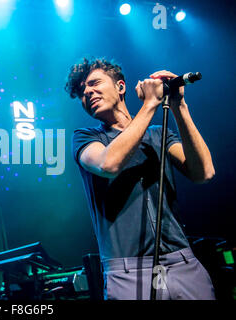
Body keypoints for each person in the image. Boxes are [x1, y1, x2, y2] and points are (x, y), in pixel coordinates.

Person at [66, 57, 216, 300]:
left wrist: (178, 105)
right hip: (128, 271)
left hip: (182, 262)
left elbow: (204, 172)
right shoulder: (85, 138)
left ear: (120, 87)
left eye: (94, 83)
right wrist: (150, 105)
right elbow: (109, 163)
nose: (87, 92)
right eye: (82, 91)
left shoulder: (158, 134)